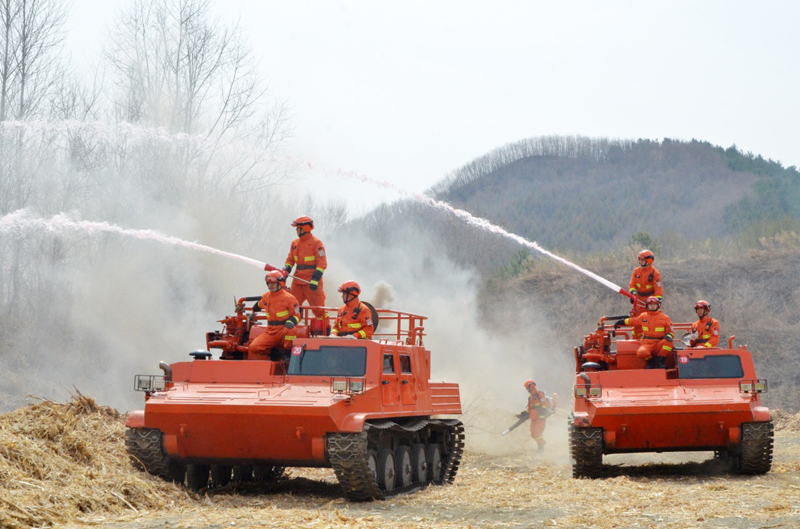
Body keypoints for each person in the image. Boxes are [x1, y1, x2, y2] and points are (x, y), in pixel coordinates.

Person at [283, 216, 329, 331]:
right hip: (298, 279)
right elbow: (290, 260)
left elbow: (322, 263)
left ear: (305, 228)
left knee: (318, 308)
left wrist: (315, 279)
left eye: (297, 228)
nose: (296, 230)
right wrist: (286, 270)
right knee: (292, 305)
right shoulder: (294, 243)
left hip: (311, 281)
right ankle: (293, 331)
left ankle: (325, 330)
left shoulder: (316, 243)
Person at [248, 271, 300, 359]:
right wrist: (254, 309)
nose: (270, 286)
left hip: (283, 330)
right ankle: (275, 354)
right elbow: (259, 305)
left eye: (273, 283)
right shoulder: (266, 297)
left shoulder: (290, 298)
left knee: (291, 330)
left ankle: (288, 354)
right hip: (271, 332)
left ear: (280, 283)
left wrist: (291, 321)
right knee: (254, 347)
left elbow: (297, 315)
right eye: (269, 283)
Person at [615, 296, 674, 369]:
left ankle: (660, 362)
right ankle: (651, 361)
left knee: (669, 343)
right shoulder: (643, 316)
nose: (652, 306)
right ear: (647, 306)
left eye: (654, 304)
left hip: (659, 342)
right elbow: (633, 321)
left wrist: (670, 335)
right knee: (641, 353)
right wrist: (621, 322)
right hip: (647, 343)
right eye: (650, 304)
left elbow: (671, 331)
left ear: (658, 305)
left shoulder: (665, 318)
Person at [523, 379, 556, 452]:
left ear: (532, 386)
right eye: (526, 388)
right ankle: (542, 443)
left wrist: (543, 410)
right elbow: (529, 408)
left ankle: (541, 447)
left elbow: (545, 404)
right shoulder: (530, 397)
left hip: (540, 418)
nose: (527, 390)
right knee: (533, 434)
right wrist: (524, 413)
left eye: (528, 388)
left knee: (538, 434)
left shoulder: (539, 394)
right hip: (533, 418)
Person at [628, 249, 663, 316]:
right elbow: (632, 284)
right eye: (640, 260)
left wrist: (657, 300)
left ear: (648, 261)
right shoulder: (636, 271)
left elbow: (658, 288)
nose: (640, 262)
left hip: (651, 302)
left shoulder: (655, 273)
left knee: (657, 318)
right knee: (637, 318)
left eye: (642, 260)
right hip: (639, 300)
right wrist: (632, 294)